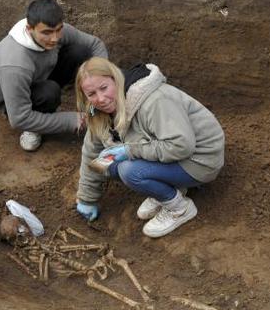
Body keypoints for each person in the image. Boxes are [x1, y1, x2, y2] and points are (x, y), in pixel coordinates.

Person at [74, 57, 225, 237]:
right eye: (91, 94)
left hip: (200, 159)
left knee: (129, 171)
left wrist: (130, 151)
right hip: (173, 156)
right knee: (107, 163)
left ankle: (179, 208)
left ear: (116, 78)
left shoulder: (154, 100)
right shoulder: (96, 110)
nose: (100, 98)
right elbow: (91, 151)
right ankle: (170, 187)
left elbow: (180, 146)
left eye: (104, 88)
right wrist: (86, 198)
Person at [0, 0, 108, 152]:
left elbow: (95, 44)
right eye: (47, 33)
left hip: (40, 77)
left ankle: (90, 107)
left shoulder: (54, 30)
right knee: (49, 92)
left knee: (79, 52)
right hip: (12, 104)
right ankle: (34, 128)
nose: (55, 38)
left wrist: (101, 80)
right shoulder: (15, 64)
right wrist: (71, 120)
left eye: (58, 30)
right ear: (30, 29)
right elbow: (19, 118)